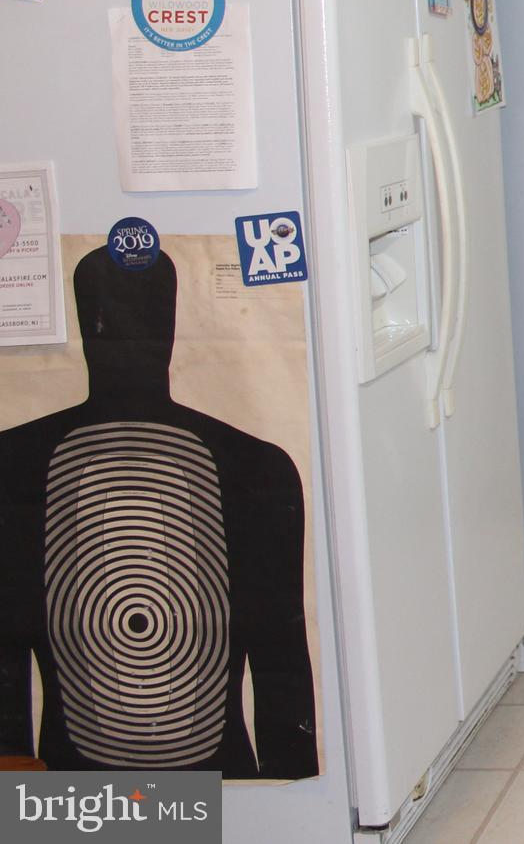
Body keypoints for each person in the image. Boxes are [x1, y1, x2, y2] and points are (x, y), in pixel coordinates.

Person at [0, 246, 317, 778]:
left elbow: (280, 653)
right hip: (126, 792)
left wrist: (296, 806)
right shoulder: (255, 462)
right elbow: (280, 659)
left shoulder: (17, 459)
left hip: (120, 793)